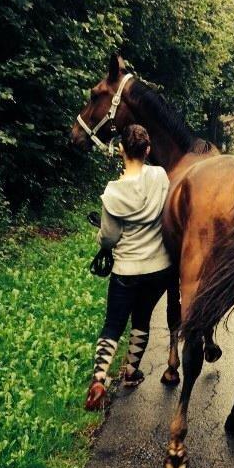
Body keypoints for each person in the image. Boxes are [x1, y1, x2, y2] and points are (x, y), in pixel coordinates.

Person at [85, 124, 172, 410]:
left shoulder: (112, 193)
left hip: (126, 271)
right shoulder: (160, 176)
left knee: (113, 324)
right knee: (142, 320)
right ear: (148, 150)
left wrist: (99, 236)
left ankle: (98, 380)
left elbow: (109, 238)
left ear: (121, 149)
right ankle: (132, 372)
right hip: (159, 269)